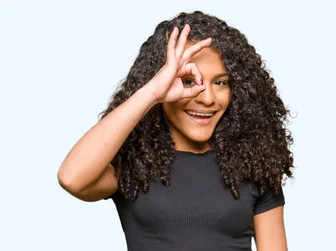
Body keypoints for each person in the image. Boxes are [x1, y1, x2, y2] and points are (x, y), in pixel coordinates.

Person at [57, 11, 294, 251]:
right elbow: (72, 178)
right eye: (189, 81)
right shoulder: (135, 164)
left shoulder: (254, 165)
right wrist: (152, 94)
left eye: (220, 82)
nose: (208, 98)